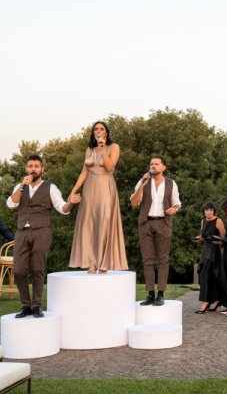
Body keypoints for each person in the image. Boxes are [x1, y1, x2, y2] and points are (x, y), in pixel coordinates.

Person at [6, 154, 78, 318]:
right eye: (30, 166)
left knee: (37, 269)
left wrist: (71, 202)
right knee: (18, 270)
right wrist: (22, 186)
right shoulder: (20, 186)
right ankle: (26, 305)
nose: (33, 169)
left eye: (36, 166)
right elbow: (11, 203)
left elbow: (62, 209)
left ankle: (36, 305)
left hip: (42, 231)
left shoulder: (50, 187)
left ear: (42, 169)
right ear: (26, 169)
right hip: (22, 231)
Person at [68, 121, 128, 274]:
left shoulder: (114, 147)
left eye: (102, 129)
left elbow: (110, 167)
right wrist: (73, 191)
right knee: (89, 223)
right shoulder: (89, 149)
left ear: (106, 132)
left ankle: (104, 262)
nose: (99, 131)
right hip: (90, 187)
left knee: (104, 221)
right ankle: (91, 262)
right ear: (93, 132)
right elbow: (84, 173)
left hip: (106, 187)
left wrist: (102, 148)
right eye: (96, 129)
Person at [130, 156, 181, 306]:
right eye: (151, 163)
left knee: (163, 259)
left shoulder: (171, 183)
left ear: (163, 167)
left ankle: (161, 294)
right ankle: (150, 294)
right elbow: (134, 203)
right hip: (146, 223)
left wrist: (174, 209)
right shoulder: (143, 182)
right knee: (147, 260)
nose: (153, 166)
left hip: (163, 223)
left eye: (156, 164)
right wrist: (141, 185)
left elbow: (177, 203)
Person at [194, 202, 225, 313]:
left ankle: (205, 302)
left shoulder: (218, 221)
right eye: (207, 210)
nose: (209, 211)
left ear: (214, 211)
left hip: (215, 251)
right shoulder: (203, 221)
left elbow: (223, 238)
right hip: (206, 250)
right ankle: (216, 300)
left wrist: (222, 253)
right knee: (209, 276)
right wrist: (199, 238)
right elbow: (203, 236)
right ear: (204, 211)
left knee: (205, 275)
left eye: (211, 209)